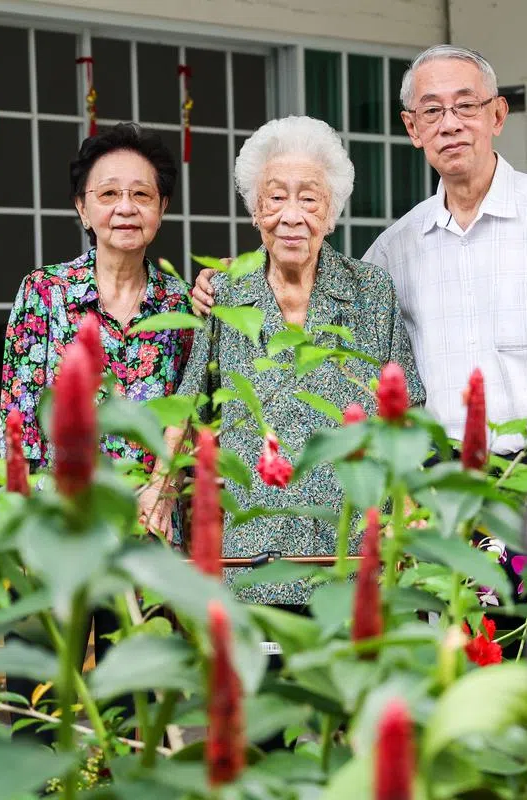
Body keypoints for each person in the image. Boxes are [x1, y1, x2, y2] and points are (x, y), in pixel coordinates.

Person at [192, 45, 527, 466]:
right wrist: (242, 274)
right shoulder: (396, 247)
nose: (450, 124)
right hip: (444, 477)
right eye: (432, 111)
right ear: (413, 128)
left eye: (466, 105)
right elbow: (325, 285)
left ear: (497, 114)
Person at [176, 115, 425, 608]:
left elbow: (404, 414)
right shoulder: (226, 293)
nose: (292, 216)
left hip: (355, 556)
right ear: (255, 210)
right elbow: (187, 411)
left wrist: (409, 507)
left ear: (331, 213)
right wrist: (161, 495)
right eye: (276, 198)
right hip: (255, 560)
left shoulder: (371, 290)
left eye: (309, 199)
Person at [0, 122, 193, 730]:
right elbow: (17, 416)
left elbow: (188, 413)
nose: (125, 207)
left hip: (144, 531)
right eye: (108, 194)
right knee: (34, 696)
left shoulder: (182, 305)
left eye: (141, 194)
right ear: (82, 208)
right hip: (58, 530)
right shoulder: (45, 293)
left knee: (129, 708)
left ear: (162, 207)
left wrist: (164, 490)